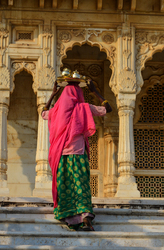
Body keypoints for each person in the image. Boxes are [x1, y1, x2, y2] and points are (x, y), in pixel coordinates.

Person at [42, 80, 112, 231]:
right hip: (78, 156)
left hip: (61, 157)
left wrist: (53, 94)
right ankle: (86, 217)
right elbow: (107, 108)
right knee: (81, 185)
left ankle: (70, 217)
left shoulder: (56, 110)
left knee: (65, 186)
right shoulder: (84, 108)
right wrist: (95, 91)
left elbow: (42, 112)